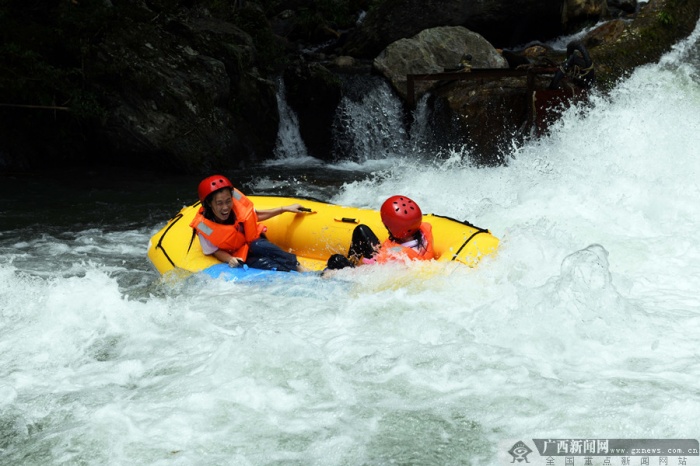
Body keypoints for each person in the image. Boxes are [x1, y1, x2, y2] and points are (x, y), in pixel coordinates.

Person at [190, 174, 307, 272]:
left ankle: (298, 266)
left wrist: (284, 209)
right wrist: (230, 259)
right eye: (219, 203)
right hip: (241, 253)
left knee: (257, 245)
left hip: (256, 242)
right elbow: (214, 251)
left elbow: (256, 215)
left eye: (228, 201)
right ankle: (292, 274)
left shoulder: (237, 206)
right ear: (209, 204)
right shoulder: (204, 226)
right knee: (265, 264)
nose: (225, 207)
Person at [326, 195, 435, 270]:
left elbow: (379, 274)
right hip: (384, 258)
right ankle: (353, 262)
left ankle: (347, 269)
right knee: (361, 230)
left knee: (336, 260)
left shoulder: (398, 257)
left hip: (377, 271)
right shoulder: (419, 232)